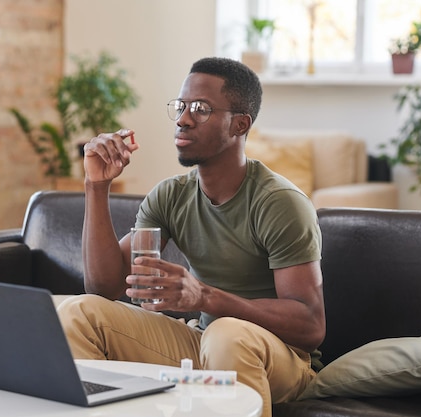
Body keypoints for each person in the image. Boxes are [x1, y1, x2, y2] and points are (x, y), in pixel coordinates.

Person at [57, 57, 326, 417]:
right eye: (181, 106)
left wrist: (205, 297)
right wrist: (96, 185)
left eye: (201, 109)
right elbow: (103, 286)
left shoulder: (280, 203)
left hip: (281, 358)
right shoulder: (171, 195)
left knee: (227, 335)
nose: (183, 118)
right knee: (79, 313)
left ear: (240, 124)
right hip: (205, 343)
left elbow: (310, 326)